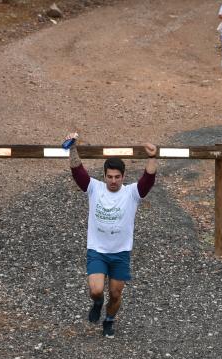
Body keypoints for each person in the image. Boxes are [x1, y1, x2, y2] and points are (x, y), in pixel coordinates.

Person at [65, 133, 157, 338]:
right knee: (97, 290)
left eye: (117, 177)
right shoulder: (94, 188)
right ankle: (97, 303)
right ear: (104, 175)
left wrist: (152, 157)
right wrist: (72, 147)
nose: (113, 181)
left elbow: (148, 179)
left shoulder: (132, 193)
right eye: (109, 177)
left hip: (120, 253)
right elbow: (77, 171)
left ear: (123, 177)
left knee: (115, 294)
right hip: (97, 250)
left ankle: (109, 320)